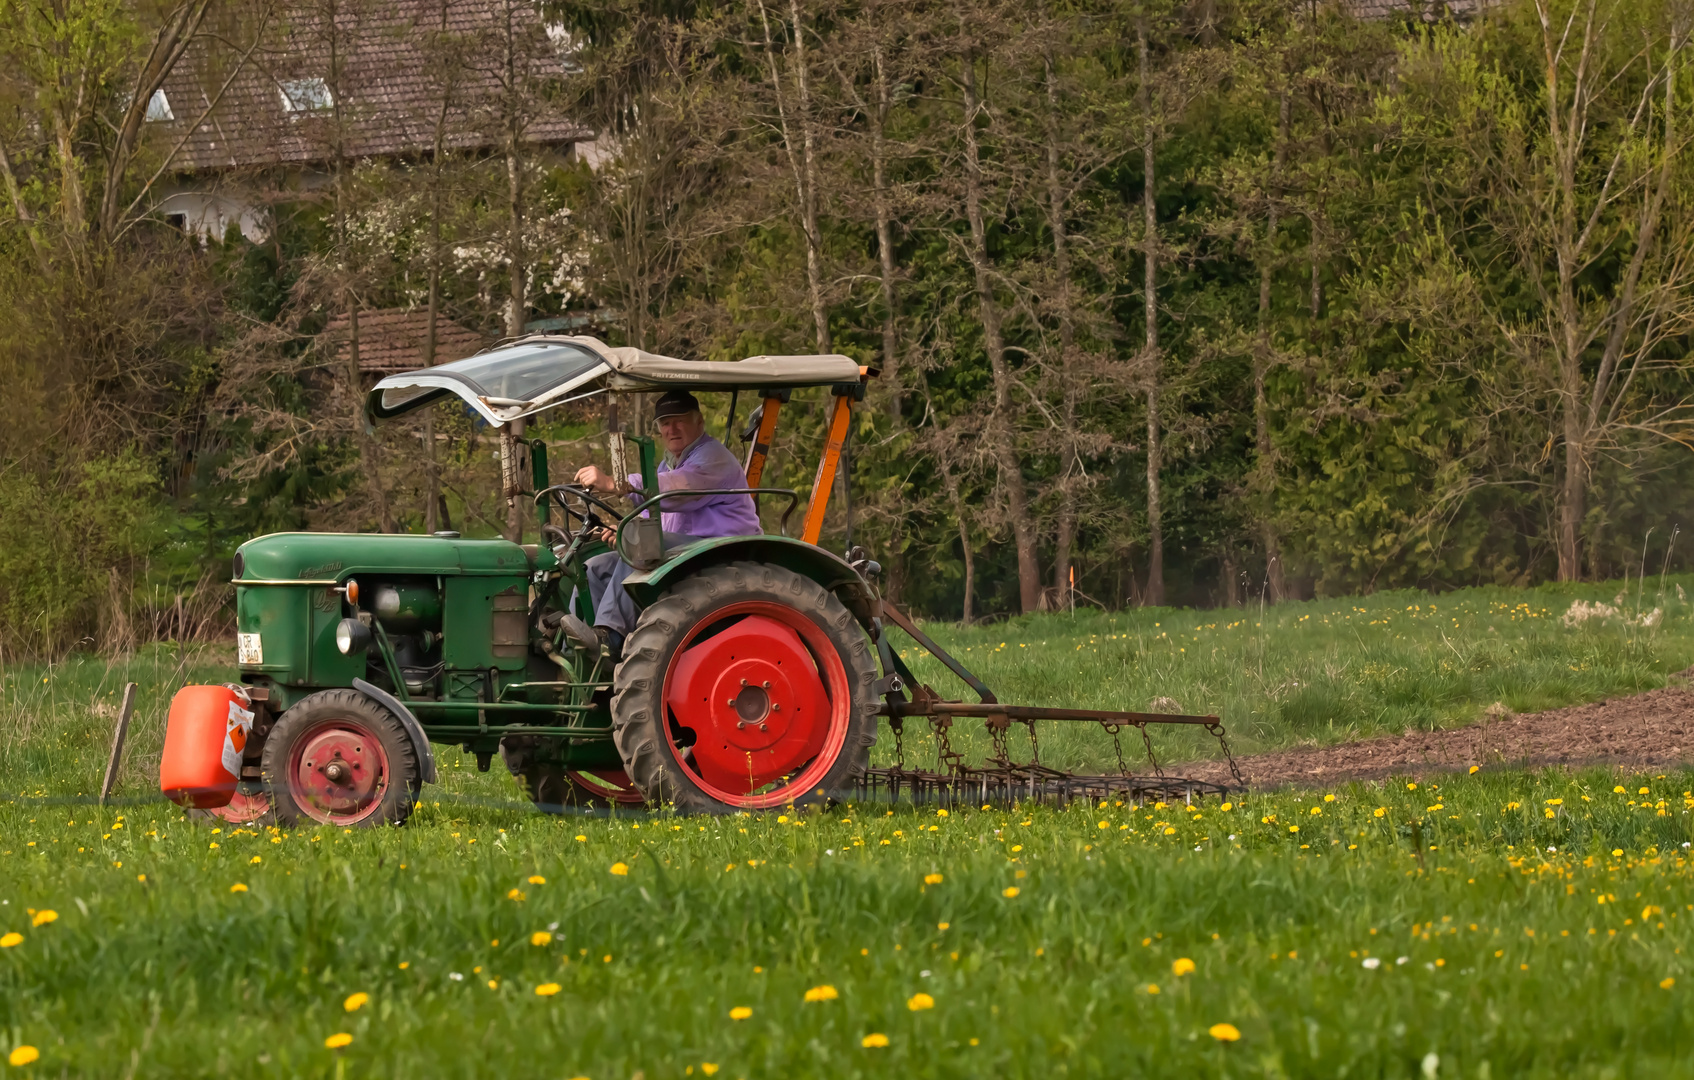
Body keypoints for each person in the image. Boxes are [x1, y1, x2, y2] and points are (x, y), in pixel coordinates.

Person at [564, 389, 761, 658]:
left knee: (640, 547)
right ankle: (576, 648)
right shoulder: (668, 465)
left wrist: (617, 483)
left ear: (699, 422)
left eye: (680, 420)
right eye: (665, 423)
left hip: (722, 550)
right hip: (687, 549)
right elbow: (654, 516)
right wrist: (621, 527)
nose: (672, 428)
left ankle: (610, 638)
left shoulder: (713, 456)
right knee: (594, 568)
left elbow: (678, 491)